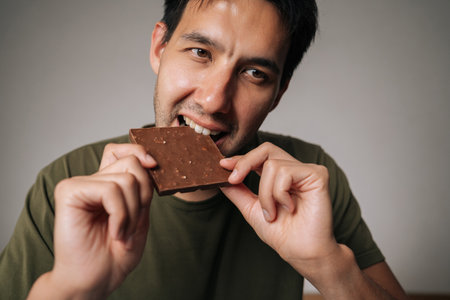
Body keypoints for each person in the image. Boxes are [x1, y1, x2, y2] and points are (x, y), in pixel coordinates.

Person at [0, 0, 408, 299]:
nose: (214, 100)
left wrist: (328, 266)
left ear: (279, 92)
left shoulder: (308, 181)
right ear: (160, 48)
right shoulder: (69, 185)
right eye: (200, 52)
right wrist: (70, 289)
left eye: (254, 73)